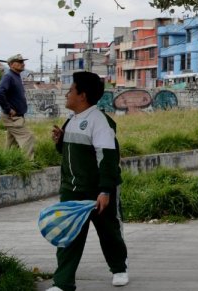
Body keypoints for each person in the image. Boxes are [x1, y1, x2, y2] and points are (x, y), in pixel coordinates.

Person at [48, 71, 129, 291]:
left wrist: (105, 190)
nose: (67, 94)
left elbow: (108, 158)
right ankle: (63, 282)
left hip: (97, 191)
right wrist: (59, 142)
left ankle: (119, 268)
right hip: (72, 191)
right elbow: (71, 153)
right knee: (69, 236)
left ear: (82, 95)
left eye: (71, 90)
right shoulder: (71, 120)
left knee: (109, 232)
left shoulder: (99, 122)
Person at [0, 53, 35, 159]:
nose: (23, 64)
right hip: (12, 117)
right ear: (12, 64)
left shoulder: (16, 76)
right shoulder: (9, 76)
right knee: (28, 137)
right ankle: (29, 164)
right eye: (20, 62)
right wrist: (8, 109)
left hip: (17, 116)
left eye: (23, 62)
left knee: (12, 145)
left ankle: (6, 162)